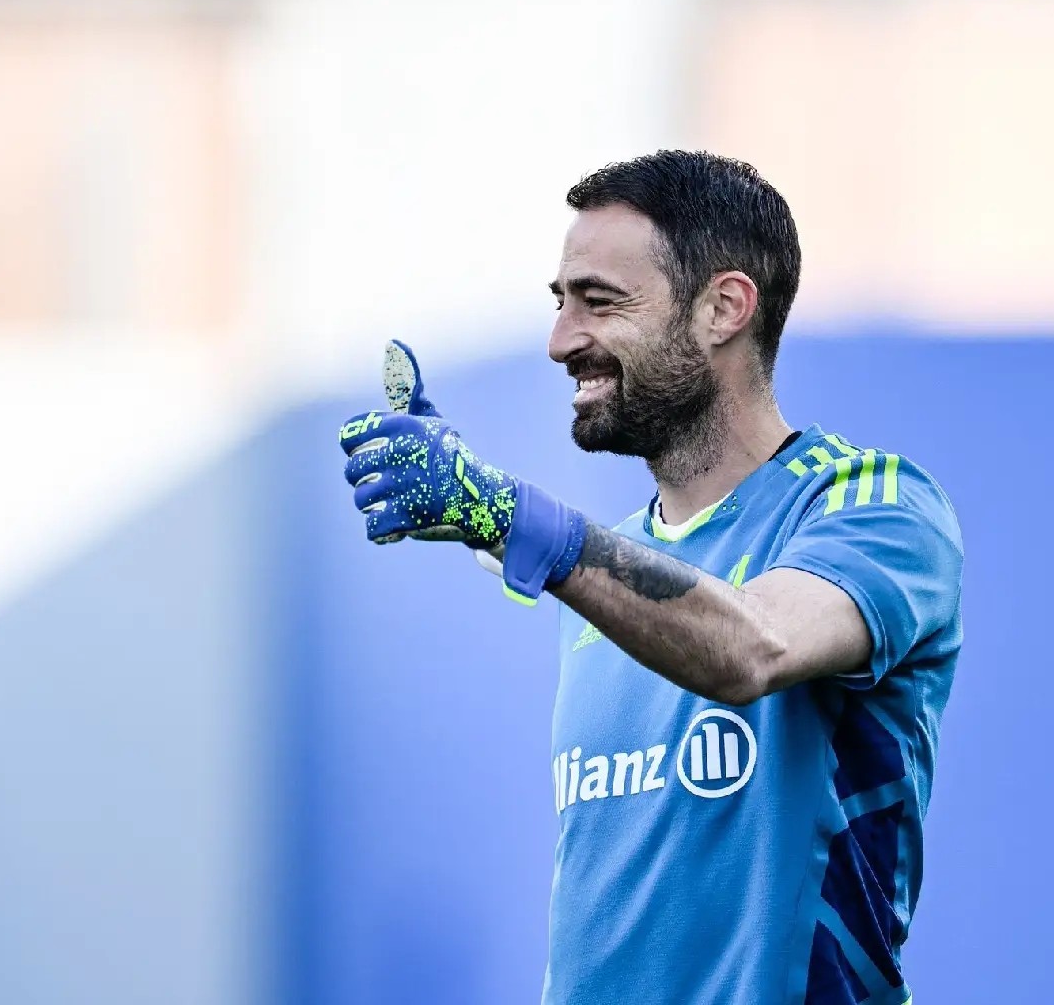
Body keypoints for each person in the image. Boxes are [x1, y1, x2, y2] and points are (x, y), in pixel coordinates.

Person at [337, 150, 963, 1005]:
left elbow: (755, 646)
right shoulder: (606, 574)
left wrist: (510, 518)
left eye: (599, 301)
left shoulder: (874, 506)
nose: (561, 341)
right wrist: (492, 528)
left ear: (724, 308)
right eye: (560, 302)